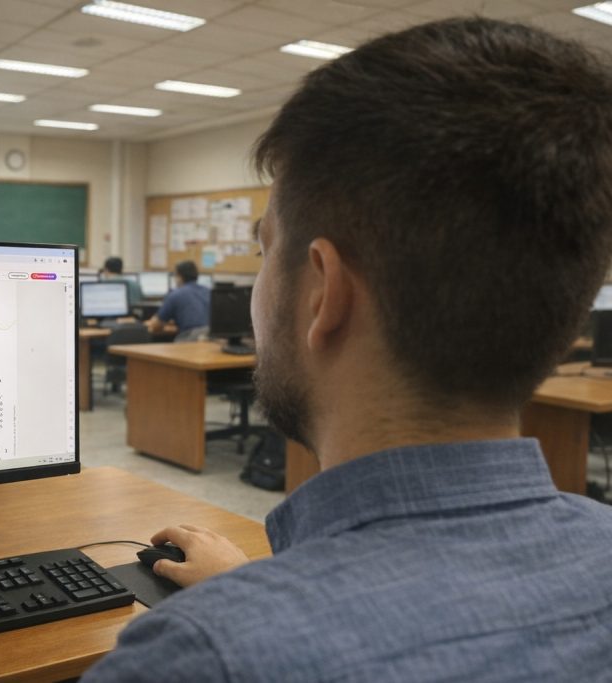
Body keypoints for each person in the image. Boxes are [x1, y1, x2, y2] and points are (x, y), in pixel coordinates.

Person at [84, 17, 612, 681]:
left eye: (264, 251)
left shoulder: (199, 656)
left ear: (323, 293)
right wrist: (259, 589)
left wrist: (247, 611)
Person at [146, 260, 210, 342]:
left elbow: (156, 326)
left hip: (190, 339)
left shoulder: (175, 294)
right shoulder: (208, 291)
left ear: (179, 276)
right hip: (210, 339)